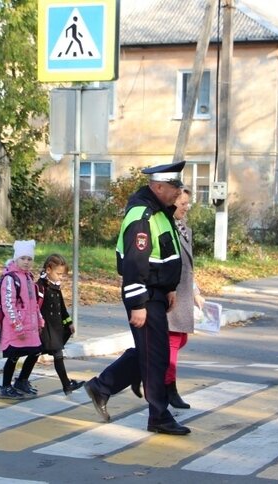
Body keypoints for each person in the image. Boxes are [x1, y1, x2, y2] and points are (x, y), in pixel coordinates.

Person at [84, 161, 190, 436]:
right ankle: (158, 415)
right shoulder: (141, 215)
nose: (178, 191)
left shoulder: (159, 212)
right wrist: (138, 304)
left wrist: (169, 287)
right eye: (174, 186)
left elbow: (164, 255)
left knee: (153, 353)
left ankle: (102, 386)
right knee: (154, 357)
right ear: (158, 187)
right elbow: (134, 263)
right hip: (144, 294)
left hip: (156, 292)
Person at [165, 187, 204, 409]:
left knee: (180, 340)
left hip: (184, 294)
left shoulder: (185, 230)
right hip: (171, 295)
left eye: (188, 204)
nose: (186, 208)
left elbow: (188, 267)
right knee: (172, 342)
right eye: (182, 204)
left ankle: (154, 377)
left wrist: (196, 292)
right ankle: (169, 388)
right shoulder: (167, 228)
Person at [0, 240, 44, 400]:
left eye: (29, 259)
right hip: (15, 326)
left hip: (30, 325)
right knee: (14, 355)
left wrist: (39, 319)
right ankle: (5, 386)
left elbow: (34, 303)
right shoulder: (10, 278)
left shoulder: (29, 277)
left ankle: (22, 381)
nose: (26, 262)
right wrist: (17, 325)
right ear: (16, 258)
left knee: (36, 351)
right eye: (23, 258)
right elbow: (7, 304)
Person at [36, 253, 85, 396]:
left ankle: (66, 385)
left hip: (55, 329)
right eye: (58, 274)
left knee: (54, 354)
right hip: (45, 329)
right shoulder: (41, 286)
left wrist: (68, 322)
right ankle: (22, 380)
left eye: (62, 275)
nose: (61, 277)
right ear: (48, 269)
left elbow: (61, 307)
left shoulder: (55, 286)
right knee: (37, 354)